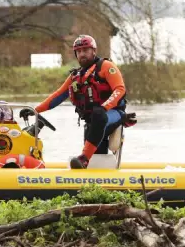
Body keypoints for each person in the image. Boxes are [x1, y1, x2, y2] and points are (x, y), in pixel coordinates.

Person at [20, 35, 136, 169]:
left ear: (94, 51)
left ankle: (84, 158)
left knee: (98, 115)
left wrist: (105, 107)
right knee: (97, 153)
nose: (82, 54)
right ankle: (93, 174)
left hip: (114, 113)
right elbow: (57, 96)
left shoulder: (106, 66)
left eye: (85, 50)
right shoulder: (76, 76)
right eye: (79, 51)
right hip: (94, 121)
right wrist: (35, 110)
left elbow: (120, 89)